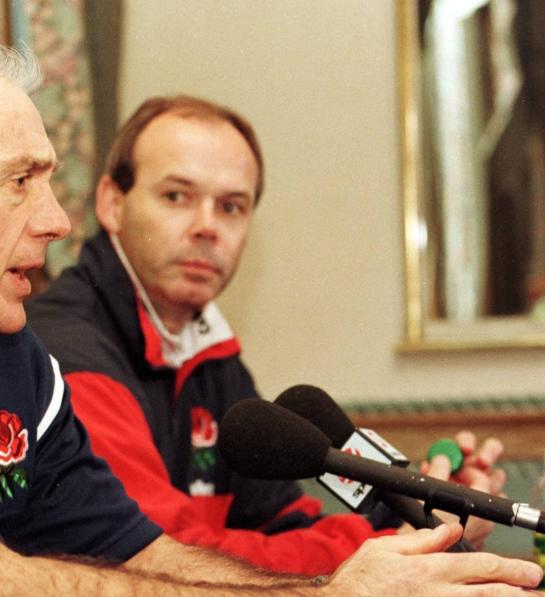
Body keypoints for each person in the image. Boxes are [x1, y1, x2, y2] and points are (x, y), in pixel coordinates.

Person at [0, 31, 544, 597]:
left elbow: (146, 557)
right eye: (19, 181)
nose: (54, 219)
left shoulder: (4, 349)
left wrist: (343, 582)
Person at [25, 96, 510, 576]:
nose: (207, 227)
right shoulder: (68, 354)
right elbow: (160, 557)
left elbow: (279, 521)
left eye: (232, 206)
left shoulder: (207, 350)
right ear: (112, 203)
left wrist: (425, 507)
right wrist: (396, 544)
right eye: (177, 196)